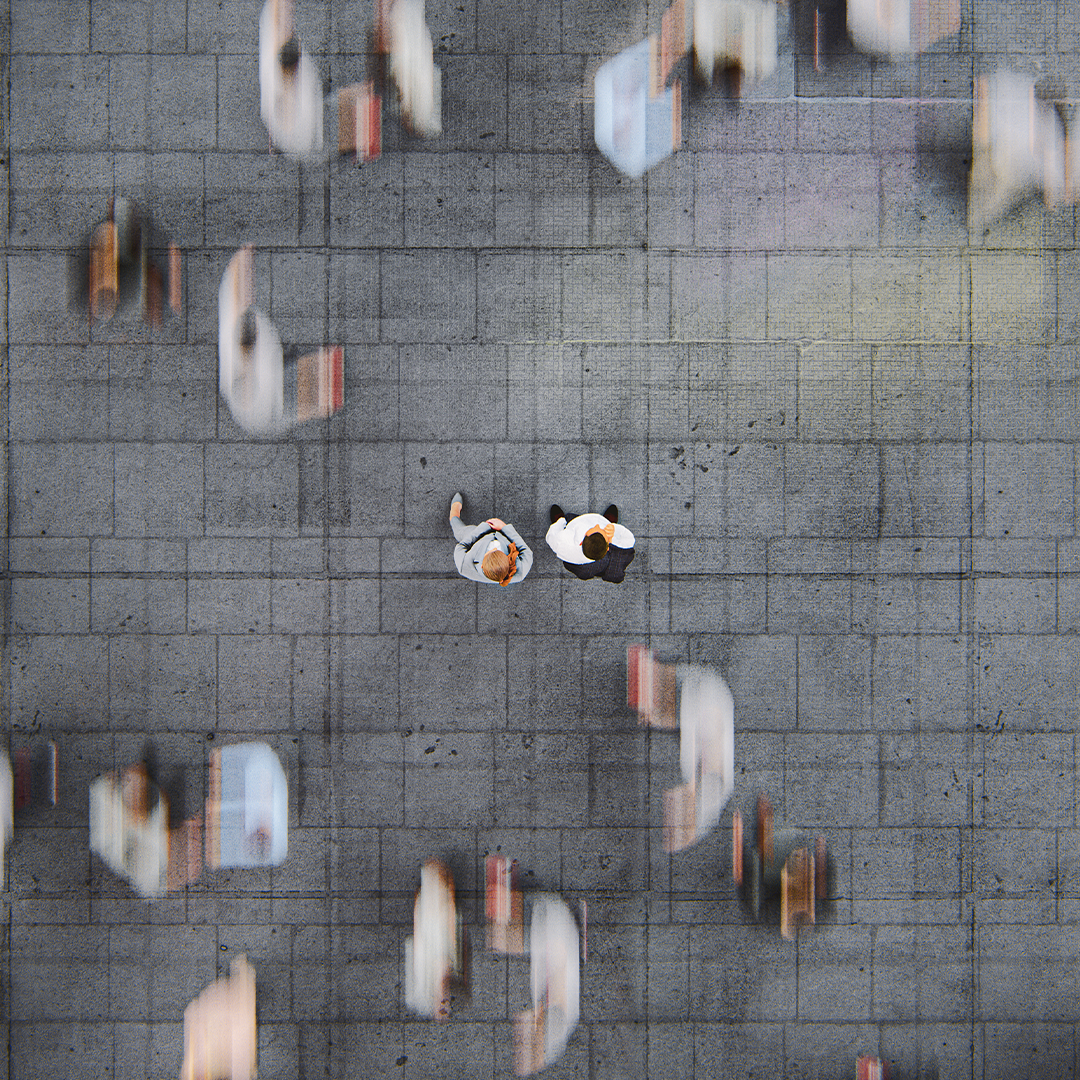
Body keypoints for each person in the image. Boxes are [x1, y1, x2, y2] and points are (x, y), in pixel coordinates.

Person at [450, 494, 533, 585]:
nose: (494, 547)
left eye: (490, 551)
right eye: (498, 551)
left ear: (481, 566)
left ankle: (454, 511)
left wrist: (483, 528)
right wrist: (504, 527)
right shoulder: (521, 572)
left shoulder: (464, 566)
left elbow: (461, 546)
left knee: (458, 531)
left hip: (478, 537)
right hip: (503, 535)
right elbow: (526, 550)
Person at [546, 505, 635, 583]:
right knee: (608, 525)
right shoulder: (615, 551)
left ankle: (560, 519)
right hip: (591, 568)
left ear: (581, 542)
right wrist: (614, 531)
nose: (597, 525)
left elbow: (552, 537)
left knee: (566, 521)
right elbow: (628, 541)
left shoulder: (563, 543)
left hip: (578, 566)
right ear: (608, 547)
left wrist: (560, 522)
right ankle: (609, 521)